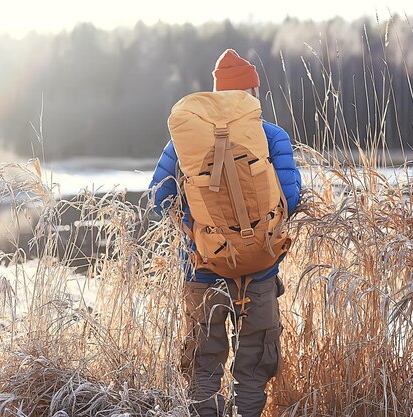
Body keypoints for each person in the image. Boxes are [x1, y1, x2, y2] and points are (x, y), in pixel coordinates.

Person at [148, 49, 301, 417]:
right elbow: (291, 198)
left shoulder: (183, 142)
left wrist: (197, 225)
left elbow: (158, 198)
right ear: (252, 93)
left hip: (202, 270)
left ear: (216, 94)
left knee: (203, 369)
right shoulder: (272, 135)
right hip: (259, 272)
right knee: (252, 371)